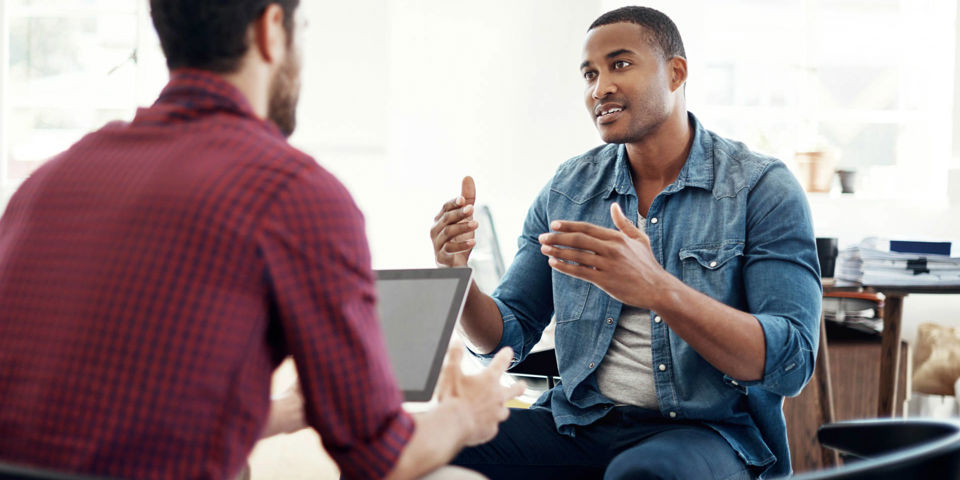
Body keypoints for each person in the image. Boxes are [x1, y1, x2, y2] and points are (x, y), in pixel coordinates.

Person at [0, 1, 523, 479]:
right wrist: (464, 413)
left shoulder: (47, 182)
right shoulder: (291, 191)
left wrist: (280, 414)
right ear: (272, 29)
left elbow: (112, 416)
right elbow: (381, 460)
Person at [430, 6, 821, 480]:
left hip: (707, 432)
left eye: (620, 64)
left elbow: (791, 362)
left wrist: (658, 289)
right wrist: (458, 278)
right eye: (590, 74)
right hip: (579, 423)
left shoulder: (760, 187)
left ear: (676, 72)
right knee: (421, 442)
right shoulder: (568, 189)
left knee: (643, 475)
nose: (600, 88)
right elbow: (506, 336)